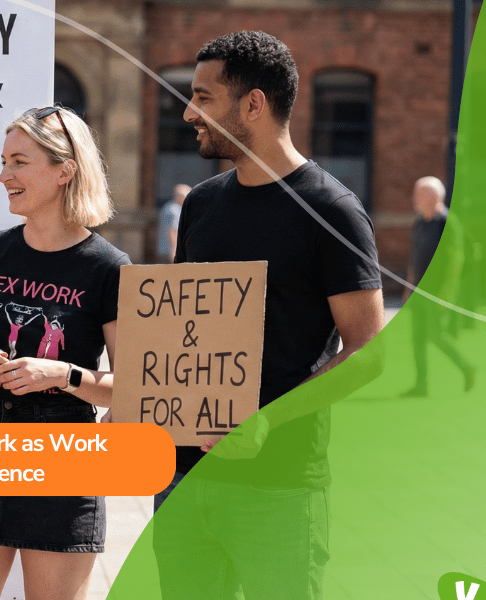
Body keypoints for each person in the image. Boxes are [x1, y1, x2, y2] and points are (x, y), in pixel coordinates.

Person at [148, 32, 385, 599]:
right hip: (181, 483)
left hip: (277, 490)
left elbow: (368, 354)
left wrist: (264, 422)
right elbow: (183, 332)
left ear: (254, 104)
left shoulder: (332, 211)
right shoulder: (201, 204)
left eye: (204, 97)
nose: (188, 112)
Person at [0, 105, 129, 600]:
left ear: (65, 170)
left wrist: (62, 374)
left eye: (19, 162)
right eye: (3, 162)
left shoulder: (108, 267)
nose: (4, 175)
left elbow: (134, 388)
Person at [402, 176, 474, 396]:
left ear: (432, 196)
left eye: (419, 194)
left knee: (436, 335)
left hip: (437, 292)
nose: (414, 199)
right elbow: (415, 259)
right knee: (417, 339)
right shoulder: (420, 223)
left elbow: (456, 259)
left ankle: (467, 367)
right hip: (419, 291)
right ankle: (421, 385)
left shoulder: (447, 223)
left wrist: (447, 292)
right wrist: (408, 287)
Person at [156, 183, 189, 263]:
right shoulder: (176, 211)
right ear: (181, 197)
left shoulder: (167, 207)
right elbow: (173, 232)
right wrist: (174, 253)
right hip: (170, 252)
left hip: (162, 250)